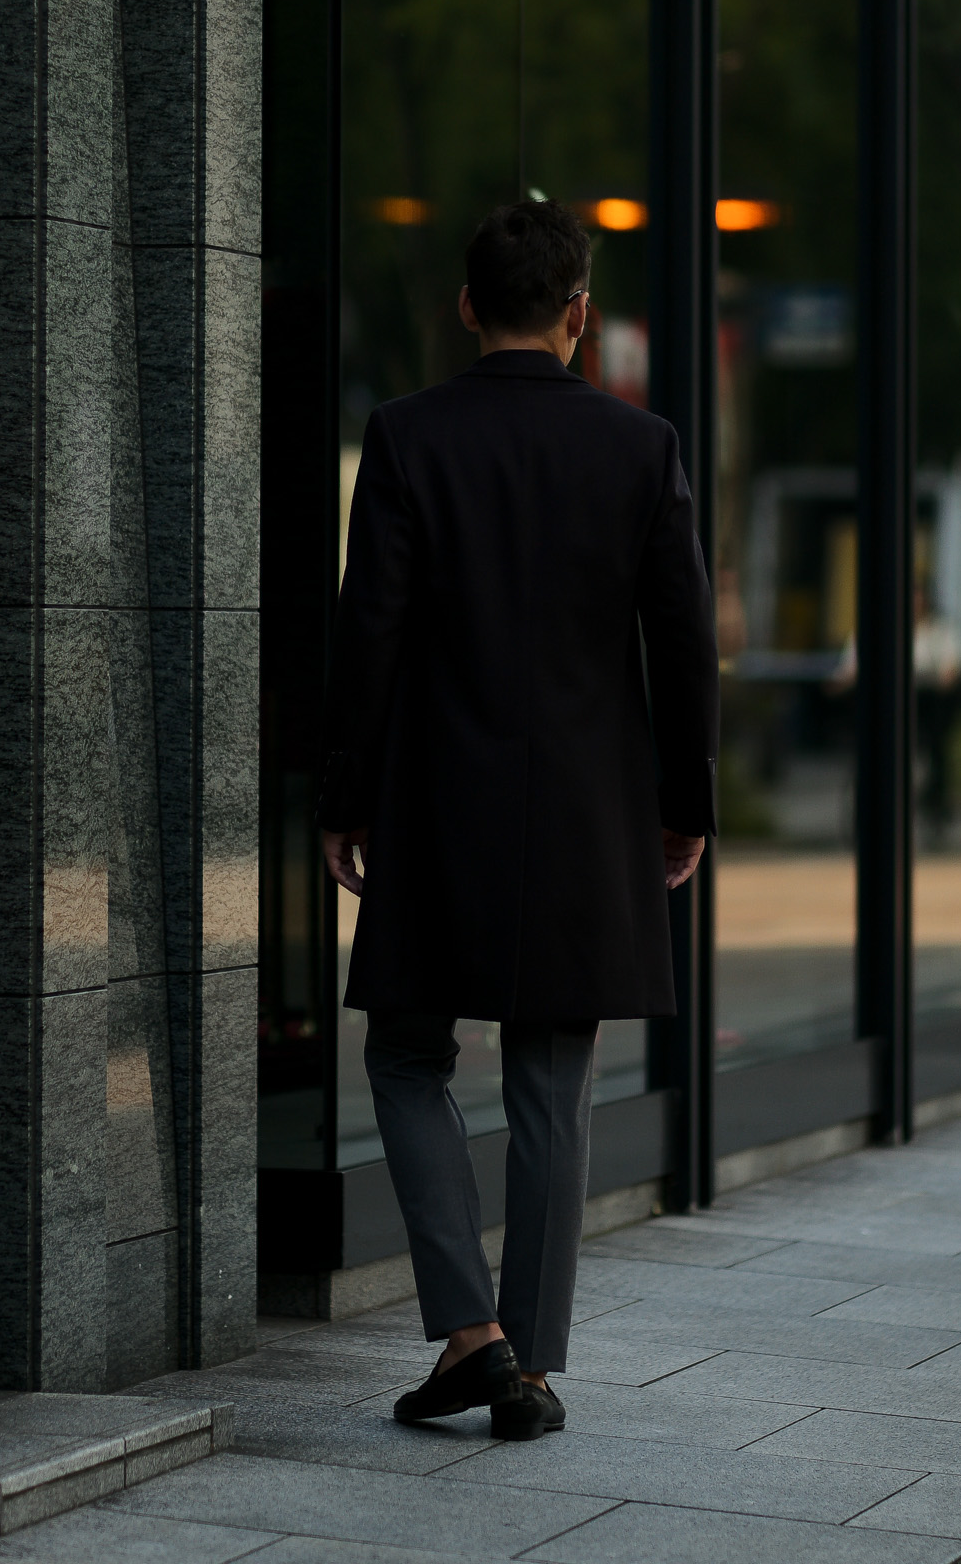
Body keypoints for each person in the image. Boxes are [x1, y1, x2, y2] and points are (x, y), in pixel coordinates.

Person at [317, 200, 719, 1440]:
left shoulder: (405, 436)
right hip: (588, 812)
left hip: (437, 804)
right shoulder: (640, 447)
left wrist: (344, 800)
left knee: (404, 1054)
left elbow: (367, 633)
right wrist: (684, 804)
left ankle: (468, 1333)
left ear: (466, 306)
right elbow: (686, 642)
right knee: (553, 1080)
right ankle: (529, 1367)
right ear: (580, 314)